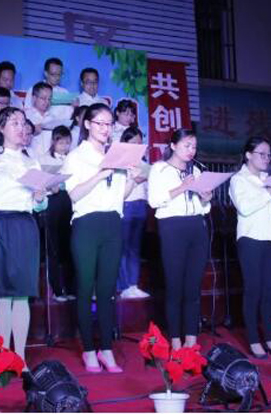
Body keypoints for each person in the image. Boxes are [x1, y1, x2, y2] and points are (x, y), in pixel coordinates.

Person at [62, 103, 142, 373]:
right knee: (86, 289)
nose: (105, 129)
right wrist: (99, 175)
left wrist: (133, 180)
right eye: (100, 123)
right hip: (86, 224)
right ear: (87, 124)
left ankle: (106, 349)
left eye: (109, 124)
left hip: (112, 223)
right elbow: (74, 194)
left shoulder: (115, 155)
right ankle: (88, 350)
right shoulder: (76, 157)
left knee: (107, 291)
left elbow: (119, 196)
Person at [0, 107, 45, 365]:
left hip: (26, 225)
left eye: (23, 122)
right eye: (14, 122)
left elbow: (39, 205)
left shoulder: (32, 162)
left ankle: (20, 356)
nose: (20, 127)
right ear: (1, 128)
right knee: (3, 292)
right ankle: (4, 355)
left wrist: (40, 197)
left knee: (23, 293)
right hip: (0, 225)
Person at [148, 128, 212, 349]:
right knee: (174, 286)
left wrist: (205, 197)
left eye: (194, 146)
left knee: (193, 288)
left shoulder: (197, 170)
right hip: (172, 228)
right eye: (186, 145)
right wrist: (182, 187)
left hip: (197, 227)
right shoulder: (159, 169)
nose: (191, 150)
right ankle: (175, 340)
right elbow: (154, 200)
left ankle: (191, 341)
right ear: (173, 146)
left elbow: (204, 207)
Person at [229, 136, 271, 358]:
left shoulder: (268, 179)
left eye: (269, 155)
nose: (266, 158)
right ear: (248, 155)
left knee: (269, 291)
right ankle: (254, 340)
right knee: (253, 289)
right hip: (250, 239)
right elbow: (245, 207)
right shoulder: (238, 180)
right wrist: (269, 192)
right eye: (262, 154)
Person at [37, 125, 75, 301]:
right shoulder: (43, 160)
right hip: (52, 203)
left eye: (67, 143)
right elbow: (39, 183)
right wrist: (50, 185)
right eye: (61, 143)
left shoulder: (73, 159)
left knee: (70, 247)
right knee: (53, 248)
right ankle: (57, 290)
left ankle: (71, 288)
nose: (64, 146)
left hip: (70, 202)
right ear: (53, 141)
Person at [117, 126, 151, 300]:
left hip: (140, 206)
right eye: (133, 143)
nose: (137, 146)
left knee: (135, 248)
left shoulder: (144, 164)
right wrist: (134, 179)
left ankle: (133, 284)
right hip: (125, 205)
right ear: (125, 143)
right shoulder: (119, 162)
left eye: (140, 143)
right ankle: (123, 286)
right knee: (122, 247)